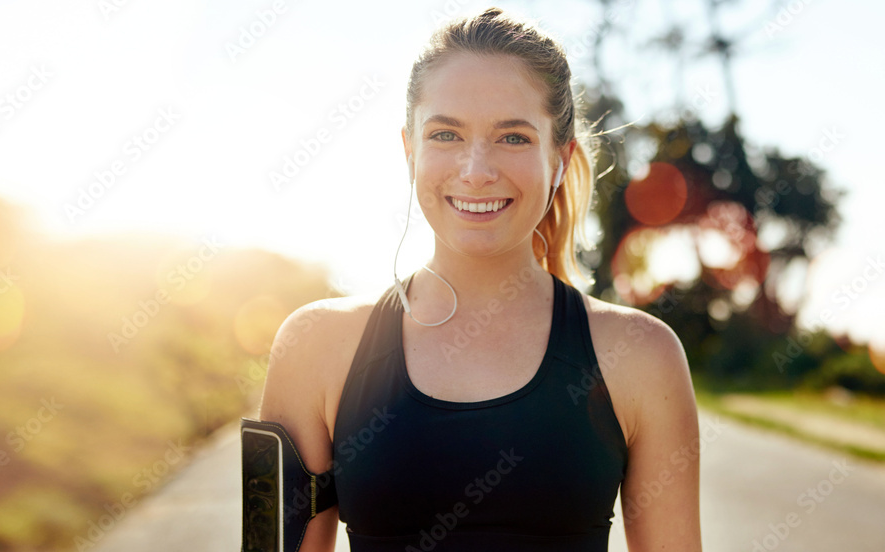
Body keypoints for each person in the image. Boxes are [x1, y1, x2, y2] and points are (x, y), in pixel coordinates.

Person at [257, 7, 701, 551]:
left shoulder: (641, 353)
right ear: (409, 149)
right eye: (445, 134)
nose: (475, 170)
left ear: (560, 159)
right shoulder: (314, 346)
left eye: (513, 138)